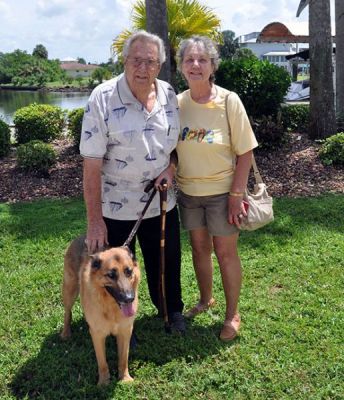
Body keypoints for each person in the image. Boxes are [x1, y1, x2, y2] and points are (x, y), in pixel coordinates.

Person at [80, 30, 185, 333]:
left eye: (150, 62)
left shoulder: (168, 94)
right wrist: (95, 221)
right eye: (136, 60)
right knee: (116, 274)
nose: (143, 68)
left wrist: (171, 169)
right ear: (124, 61)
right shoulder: (102, 97)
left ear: (159, 66)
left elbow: (174, 149)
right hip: (115, 205)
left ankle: (171, 310)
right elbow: (91, 164)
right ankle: (122, 323)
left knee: (165, 262)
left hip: (161, 201)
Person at [175, 36, 258, 341]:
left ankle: (232, 314)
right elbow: (170, 148)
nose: (195, 65)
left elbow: (245, 151)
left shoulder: (228, 101)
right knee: (199, 249)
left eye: (202, 60)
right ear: (181, 66)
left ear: (212, 65)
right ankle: (205, 298)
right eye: (189, 60)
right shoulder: (177, 103)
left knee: (225, 254)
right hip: (188, 194)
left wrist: (237, 195)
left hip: (223, 194)